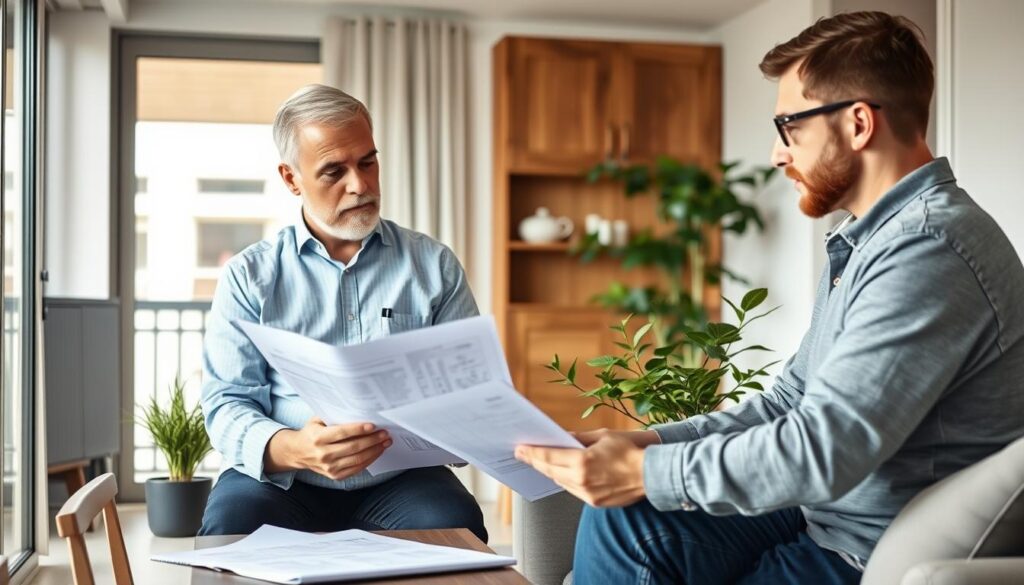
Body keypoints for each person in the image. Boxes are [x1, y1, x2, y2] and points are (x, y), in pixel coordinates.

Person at [514, 11, 1024, 584]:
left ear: (858, 124)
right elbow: (787, 403)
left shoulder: (927, 249)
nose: (779, 153)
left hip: (859, 550)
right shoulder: (873, 241)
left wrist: (645, 472)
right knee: (621, 518)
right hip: (823, 515)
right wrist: (646, 441)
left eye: (792, 127)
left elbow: (826, 446)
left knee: (634, 500)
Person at [198, 84, 486, 542]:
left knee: (455, 520)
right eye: (334, 171)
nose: (360, 184)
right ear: (292, 179)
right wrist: (295, 448)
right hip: (284, 478)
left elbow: (472, 393)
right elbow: (226, 402)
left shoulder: (434, 265)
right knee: (231, 527)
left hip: (401, 480)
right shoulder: (249, 276)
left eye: (367, 162)